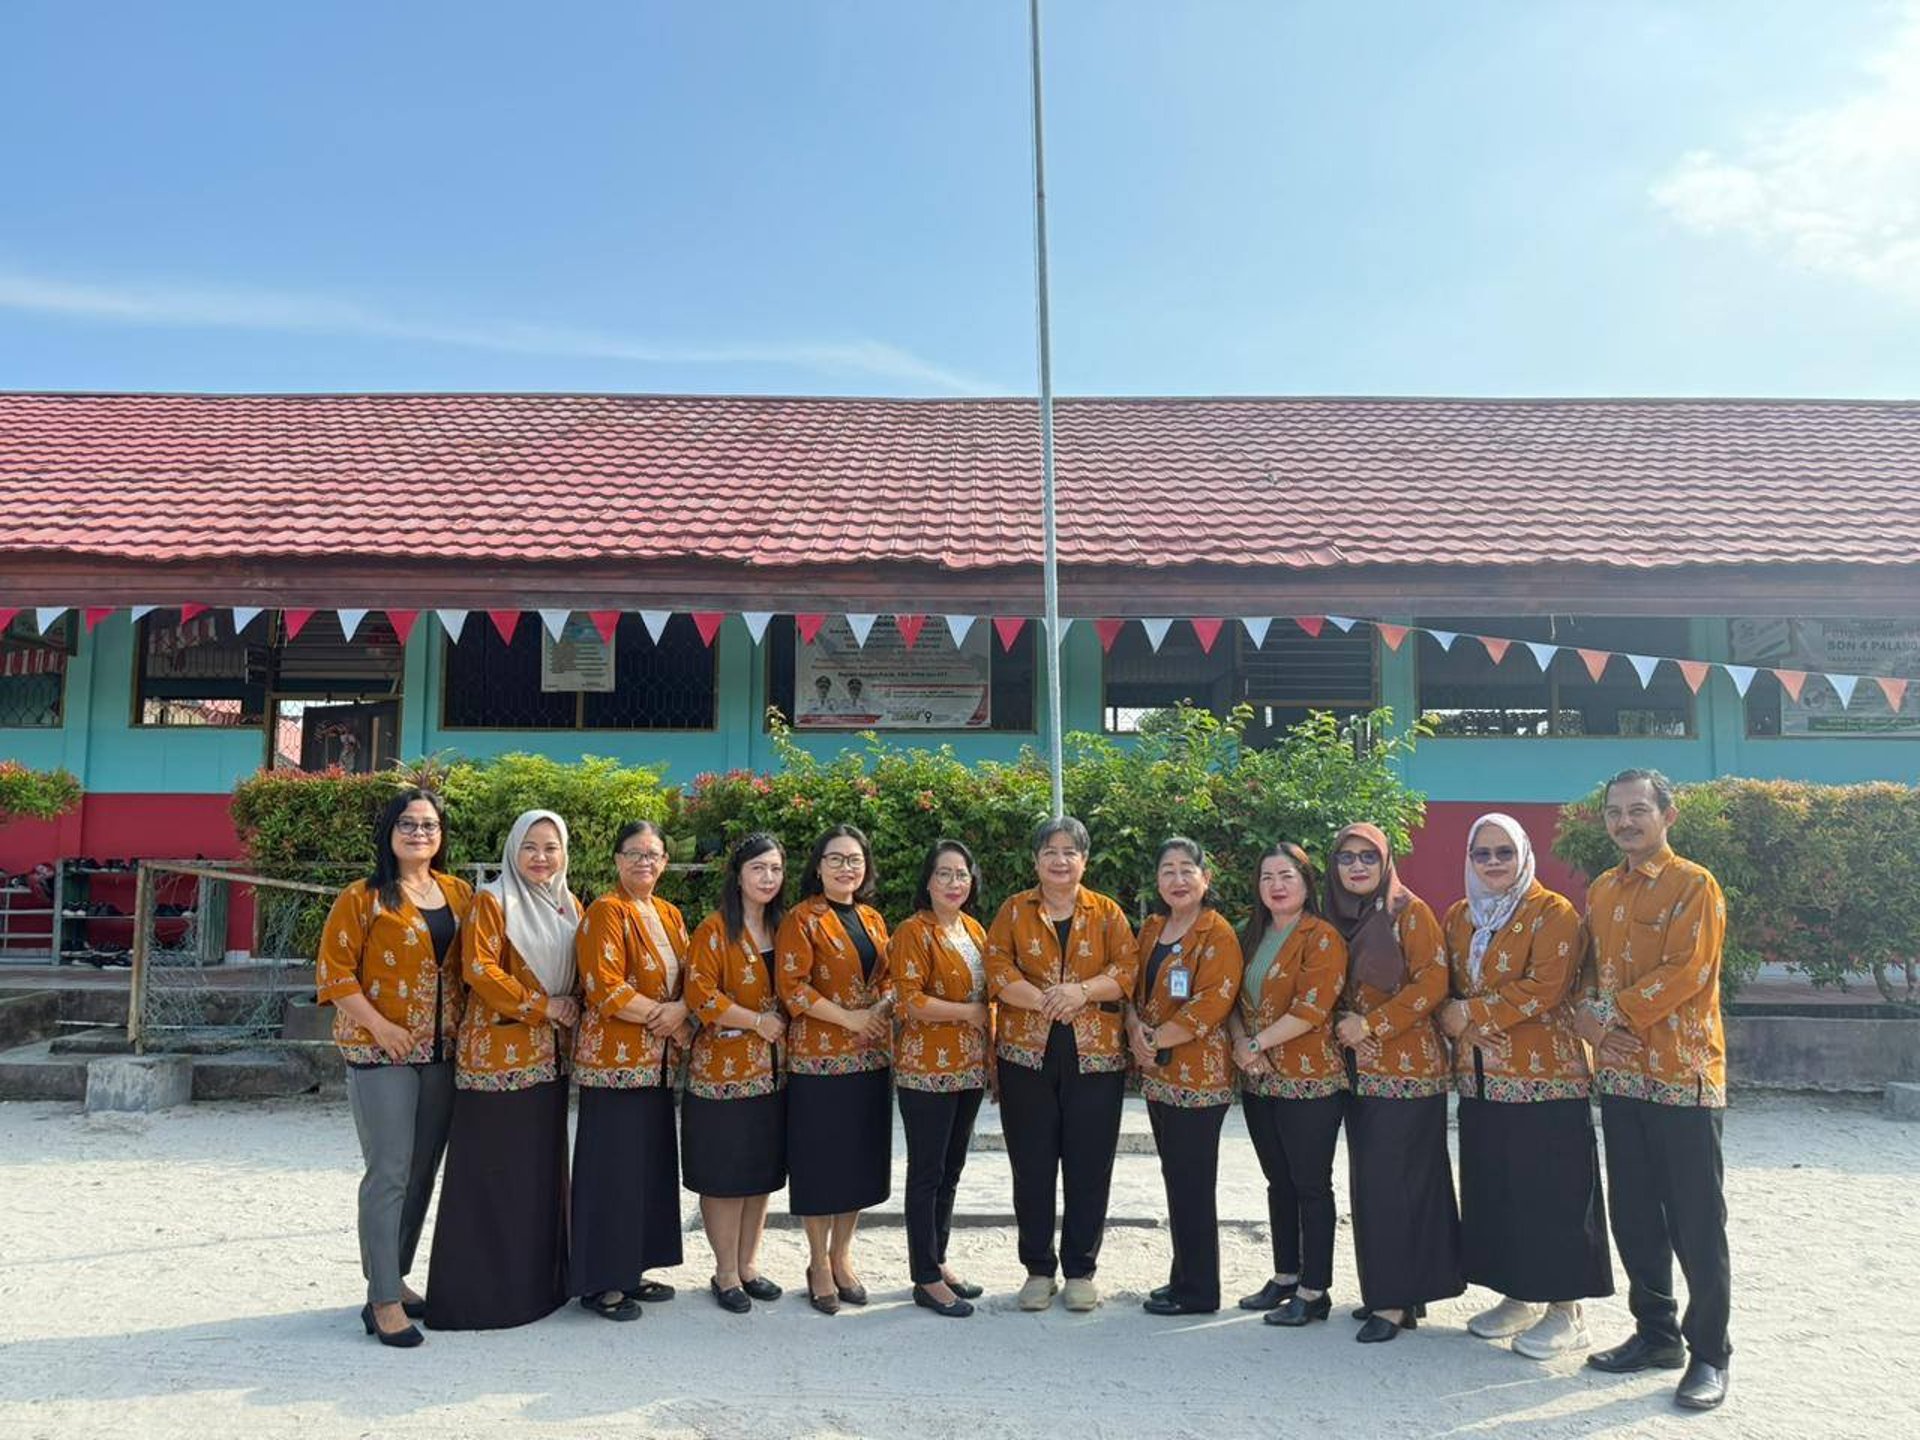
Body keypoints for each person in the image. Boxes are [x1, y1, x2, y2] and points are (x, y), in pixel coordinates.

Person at [1576, 769, 1732, 1411]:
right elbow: (1588, 969)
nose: (1625, 822)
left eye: (1638, 810)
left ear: (1668, 815)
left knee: (1696, 1220)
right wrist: (1588, 1019)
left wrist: (1608, 1015)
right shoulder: (1601, 890)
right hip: (1620, 1077)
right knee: (1634, 1212)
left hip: (1681, 1078)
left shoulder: (1694, 884)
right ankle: (1656, 1333)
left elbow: (1688, 969)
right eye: (1615, 812)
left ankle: (1710, 1353)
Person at [1437, 812, 1614, 1359]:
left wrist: (1471, 1014)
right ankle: (1518, 1295)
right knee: (1498, 1191)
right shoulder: (1460, 917)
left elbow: (1546, 986)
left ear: (1523, 855)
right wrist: (1453, 1016)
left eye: (1504, 852)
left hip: (1546, 1079)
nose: (1493, 862)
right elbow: (1445, 987)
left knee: (1552, 1193)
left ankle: (1566, 1310)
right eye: (1482, 853)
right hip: (1480, 1080)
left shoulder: (1552, 912)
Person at [315, 788, 472, 1348]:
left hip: (441, 1053)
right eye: (407, 823)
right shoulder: (362, 898)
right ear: (389, 831)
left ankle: (395, 1277)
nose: (419, 833)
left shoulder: (459, 893)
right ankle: (381, 1300)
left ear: (441, 835)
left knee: (422, 1173)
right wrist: (380, 1027)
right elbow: (335, 973)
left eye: (429, 825)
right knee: (389, 1173)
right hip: (380, 1053)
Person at [424, 809, 580, 1331]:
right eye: (530, 846)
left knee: (536, 1175)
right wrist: (543, 1006)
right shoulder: (493, 901)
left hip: (549, 1061)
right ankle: (481, 1299)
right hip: (495, 1060)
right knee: (493, 1175)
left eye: (551, 848)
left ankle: (538, 1289)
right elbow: (479, 970)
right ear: (513, 850)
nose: (541, 857)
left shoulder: (568, 904)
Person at [986, 816, 1139, 1314]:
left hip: (1095, 1058)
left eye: (1070, 851)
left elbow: (1127, 970)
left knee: (1089, 1164)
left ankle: (1079, 1270)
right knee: (1031, 1163)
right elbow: (997, 968)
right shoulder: (1013, 910)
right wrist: (1048, 1001)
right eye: (1050, 851)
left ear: (1084, 861)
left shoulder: (1107, 912)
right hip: (1025, 1056)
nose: (1059, 860)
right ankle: (1037, 1269)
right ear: (1035, 861)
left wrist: (1082, 991)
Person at [1328, 822, 1465, 1343]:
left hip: (1409, 1072)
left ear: (1385, 862)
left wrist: (1372, 1025)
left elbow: (1433, 982)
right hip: (1359, 1070)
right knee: (1372, 1185)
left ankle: (1395, 1301)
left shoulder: (1410, 911)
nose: (1357, 866)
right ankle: (1391, 1291)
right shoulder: (1338, 915)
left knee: (1401, 1186)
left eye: (1368, 857)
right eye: (1347, 858)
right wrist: (1344, 1024)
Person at [570, 820, 692, 1322]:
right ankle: (601, 1282)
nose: (645, 862)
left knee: (645, 1171)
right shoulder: (606, 910)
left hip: (658, 1063)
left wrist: (683, 1010)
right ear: (617, 860)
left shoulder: (669, 913)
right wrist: (667, 1016)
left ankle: (632, 1268)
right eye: (634, 854)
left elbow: (691, 977)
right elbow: (604, 986)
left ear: (665, 862)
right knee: (611, 1174)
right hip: (614, 1064)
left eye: (653, 854)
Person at [1225, 842, 1349, 1330]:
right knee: (1278, 1181)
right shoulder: (1253, 936)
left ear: (1306, 882)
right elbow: (1231, 998)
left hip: (1311, 1080)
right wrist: (1242, 1044)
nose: (1276, 886)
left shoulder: (1322, 937)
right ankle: (1285, 1276)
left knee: (1311, 1185)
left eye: (1286, 876)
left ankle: (1314, 1291)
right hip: (1259, 1080)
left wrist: (1255, 1044)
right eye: (1267, 877)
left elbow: (1312, 1009)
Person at [775, 824, 894, 1316]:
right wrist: (851, 1019)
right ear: (818, 866)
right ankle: (817, 1262)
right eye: (836, 859)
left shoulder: (872, 918)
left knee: (857, 1163)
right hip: (818, 1061)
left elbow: (889, 978)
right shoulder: (802, 919)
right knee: (821, 1164)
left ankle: (843, 1256)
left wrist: (879, 1011)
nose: (847, 868)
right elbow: (792, 987)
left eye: (855, 859)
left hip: (870, 1058)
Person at [1127, 837, 1242, 1316]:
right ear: (1157, 882)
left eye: (1186, 870)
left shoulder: (1218, 934)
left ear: (1205, 878)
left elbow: (1213, 1003)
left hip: (1200, 1080)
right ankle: (1183, 1277)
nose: (1177, 879)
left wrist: (1153, 1040)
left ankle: (1199, 1292)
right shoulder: (1153, 928)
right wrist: (1134, 1029)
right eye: (1167, 870)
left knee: (1193, 1183)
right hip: (1159, 1076)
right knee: (1176, 1177)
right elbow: (1130, 988)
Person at [682, 832, 789, 1313]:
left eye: (775, 869)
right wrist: (756, 1021)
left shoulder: (785, 927)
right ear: (738, 876)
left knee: (760, 1172)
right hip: (721, 1075)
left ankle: (748, 1265)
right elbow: (700, 995)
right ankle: (725, 1271)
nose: (768, 878)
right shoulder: (714, 930)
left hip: (773, 1072)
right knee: (724, 1175)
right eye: (758, 869)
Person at [887, 839, 993, 1318]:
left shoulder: (973, 929)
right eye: (944, 874)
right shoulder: (914, 931)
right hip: (926, 1069)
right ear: (928, 881)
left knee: (952, 1169)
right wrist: (969, 1012)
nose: (954, 883)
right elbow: (909, 1000)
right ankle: (925, 1277)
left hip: (968, 1067)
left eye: (962, 874)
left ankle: (940, 1258)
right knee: (927, 1172)